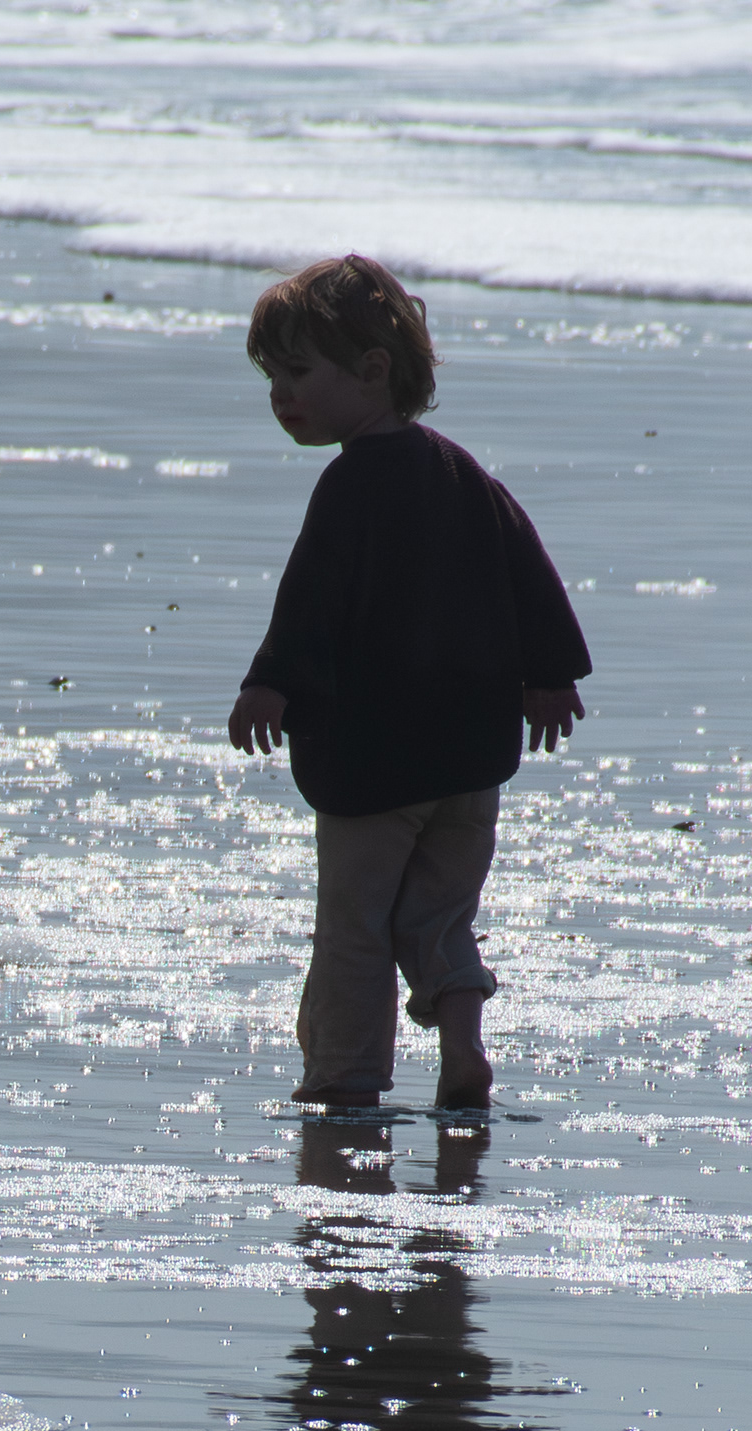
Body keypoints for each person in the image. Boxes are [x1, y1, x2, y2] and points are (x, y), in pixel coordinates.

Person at [226, 254, 590, 1113]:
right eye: (272, 378)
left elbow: (310, 601)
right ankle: (462, 1042)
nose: (282, 396)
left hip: (374, 762)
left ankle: (344, 1076)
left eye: (299, 373)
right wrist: (550, 676)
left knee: (354, 926)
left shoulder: (350, 485)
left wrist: (269, 684)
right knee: (437, 917)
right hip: (467, 757)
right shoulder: (464, 473)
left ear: (373, 370)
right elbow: (530, 573)